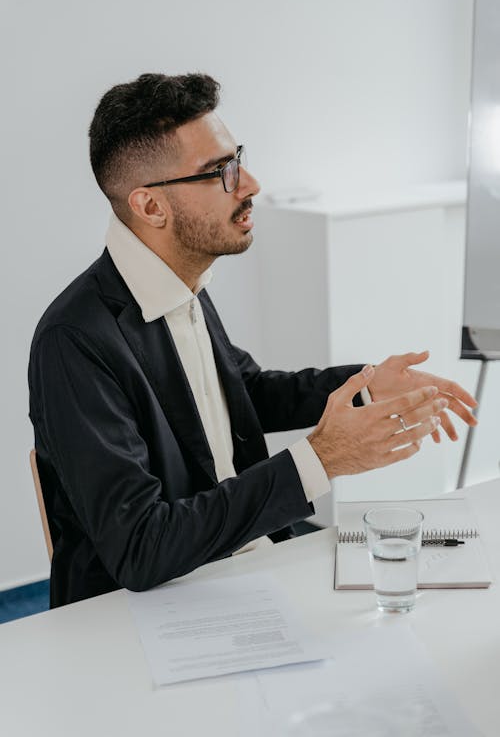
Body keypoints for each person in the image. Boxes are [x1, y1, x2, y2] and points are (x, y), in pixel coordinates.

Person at [28, 73, 478, 608]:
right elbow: (141, 548)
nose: (250, 184)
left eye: (236, 159)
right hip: (149, 610)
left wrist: (368, 384)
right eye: (220, 172)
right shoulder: (73, 341)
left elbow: (243, 391)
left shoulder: (180, 284)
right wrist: (321, 460)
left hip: (246, 561)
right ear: (151, 208)